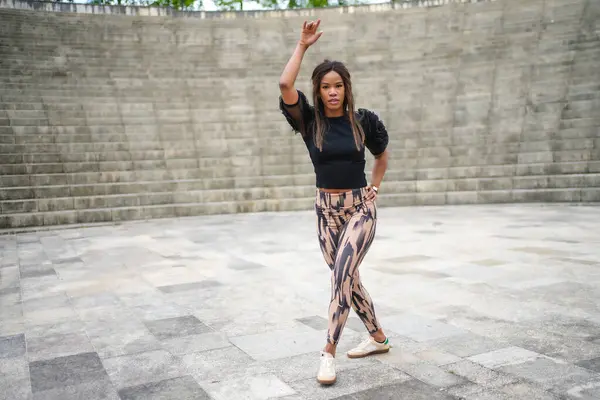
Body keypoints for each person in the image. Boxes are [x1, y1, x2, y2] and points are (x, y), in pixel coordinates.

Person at [278, 19, 391, 386]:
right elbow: (284, 85)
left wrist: (375, 187)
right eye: (325, 87)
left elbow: (382, 156)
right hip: (325, 213)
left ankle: (328, 352)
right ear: (318, 89)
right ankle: (378, 338)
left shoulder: (363, 121)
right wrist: (302, 45)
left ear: (346, 88)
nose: (332, 92)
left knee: (340, 278)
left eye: (338, 86)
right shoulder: (309, 122)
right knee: (349, 279)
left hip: (360, 209)